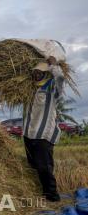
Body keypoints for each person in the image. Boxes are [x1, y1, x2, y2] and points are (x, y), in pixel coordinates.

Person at [23, 56, 64, 202]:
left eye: (39, 72)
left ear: (45, 73)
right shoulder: (29, 89)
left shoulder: (51, 88)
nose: (36, 74)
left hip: (43, 135)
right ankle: (40, 192)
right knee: (33, 165)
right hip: (28, 133)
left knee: (44, 167)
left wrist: (53, 65)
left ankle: (52, 197)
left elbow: (60, 78)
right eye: (34, 72)